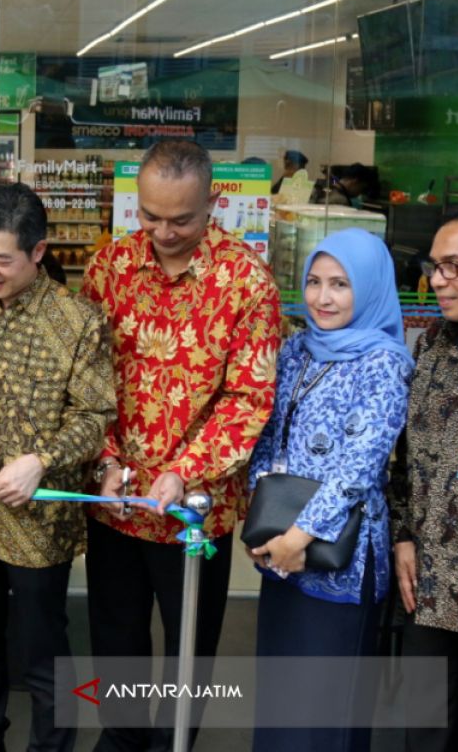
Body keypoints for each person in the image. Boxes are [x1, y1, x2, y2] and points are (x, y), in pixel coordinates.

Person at [81, 139, 282, 751]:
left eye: (182, 219)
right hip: (116, 502)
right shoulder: (108, 267)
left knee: (188, 650)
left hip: (195, 510)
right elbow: (88, 380)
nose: (163, 232)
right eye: (150, 215)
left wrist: (185, 472)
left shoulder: (247, 282)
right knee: (116, 641)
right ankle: (122, 739)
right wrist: (108, 458)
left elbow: (248, 399)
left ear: (213, 203)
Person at [0, 183, 116, 752]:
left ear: (38, 252)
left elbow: (94, 417)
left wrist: (40, 463)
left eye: (2, 259)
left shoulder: (80, 322)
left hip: (42, 522)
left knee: (46, 652)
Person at [245, 229, 412, 751]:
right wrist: (261, 515)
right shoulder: (297, 348)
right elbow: (269, 434)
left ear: (369, 288)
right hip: (281, 550)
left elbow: (358, 466)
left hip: (340, 557)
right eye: (314, 282)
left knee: (324, 712)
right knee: (280, 698)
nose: (323, 297)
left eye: (340, 284)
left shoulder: (385, 362)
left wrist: (299, 536)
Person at [390, 204, 458, 752]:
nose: (437, 279)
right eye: (434, 266)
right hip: (427, 584)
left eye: (453, 265)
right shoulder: (429, 346)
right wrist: (404, 534)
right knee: (424, 730)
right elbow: (405, 458)